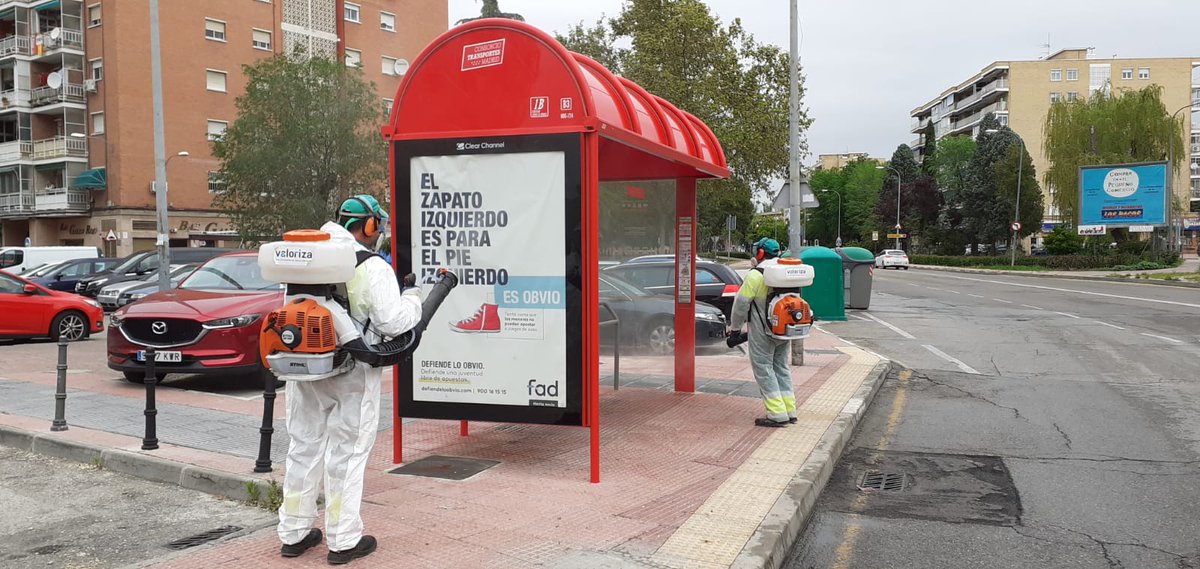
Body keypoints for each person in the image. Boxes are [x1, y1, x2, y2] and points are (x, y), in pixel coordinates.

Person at [276, 194, 422, 565]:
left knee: (303, 448)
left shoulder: (304, 258)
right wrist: (414, 299)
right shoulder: (370, 265)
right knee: (347, 454)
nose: (379, 234)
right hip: (354, 372)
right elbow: (392, 322)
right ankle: (343, 541)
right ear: (370, 225)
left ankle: (293, 533)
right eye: (379, 227)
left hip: (307, 368)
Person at [728, 238, 796, 428]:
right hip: (784, 330)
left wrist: (735, 329)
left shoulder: (756, 275)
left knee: (764, 370)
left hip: (762, 332)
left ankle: (776, 413)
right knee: (781, 368)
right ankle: (790, 410)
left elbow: (741, 304)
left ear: (760, 254)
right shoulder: (785, 271)